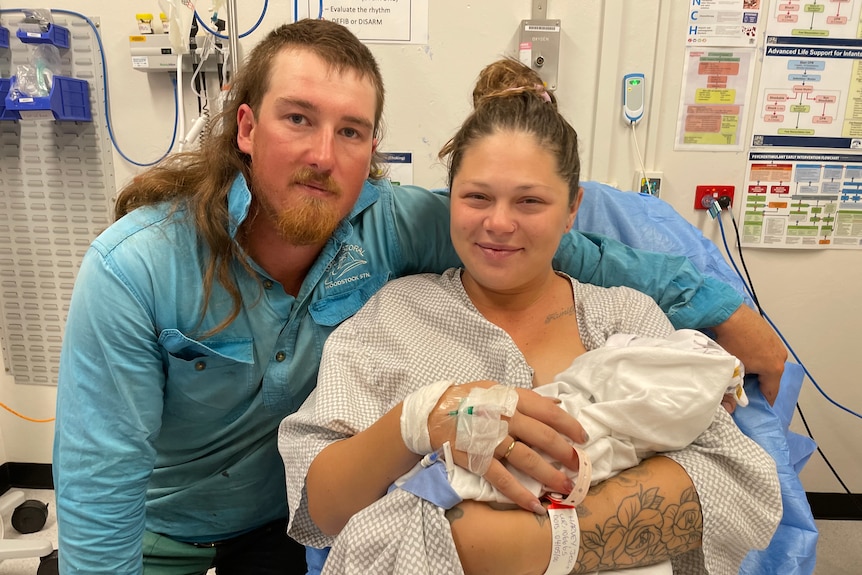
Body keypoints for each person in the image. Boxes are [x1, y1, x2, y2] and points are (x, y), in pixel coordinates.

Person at [53, 20, 783, 574]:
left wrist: (724, 310)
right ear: (245, 127)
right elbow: (102, 481)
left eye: (351, 131)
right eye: (297, 118)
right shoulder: (141, 270)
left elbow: (740, 490)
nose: (322, 154)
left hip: (275, 534)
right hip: (157, 531)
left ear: (374, 151)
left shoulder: (614, 313)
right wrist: (419, 422)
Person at [279, 83, 781, 574]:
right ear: (449, 200)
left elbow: (734, 485)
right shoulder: (394, 318)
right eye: (477, 196)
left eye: (529, 202)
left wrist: (526, 545)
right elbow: (322, 509)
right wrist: (417, 421)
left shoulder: (626, 318)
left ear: (572, 210)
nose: (498, 223)